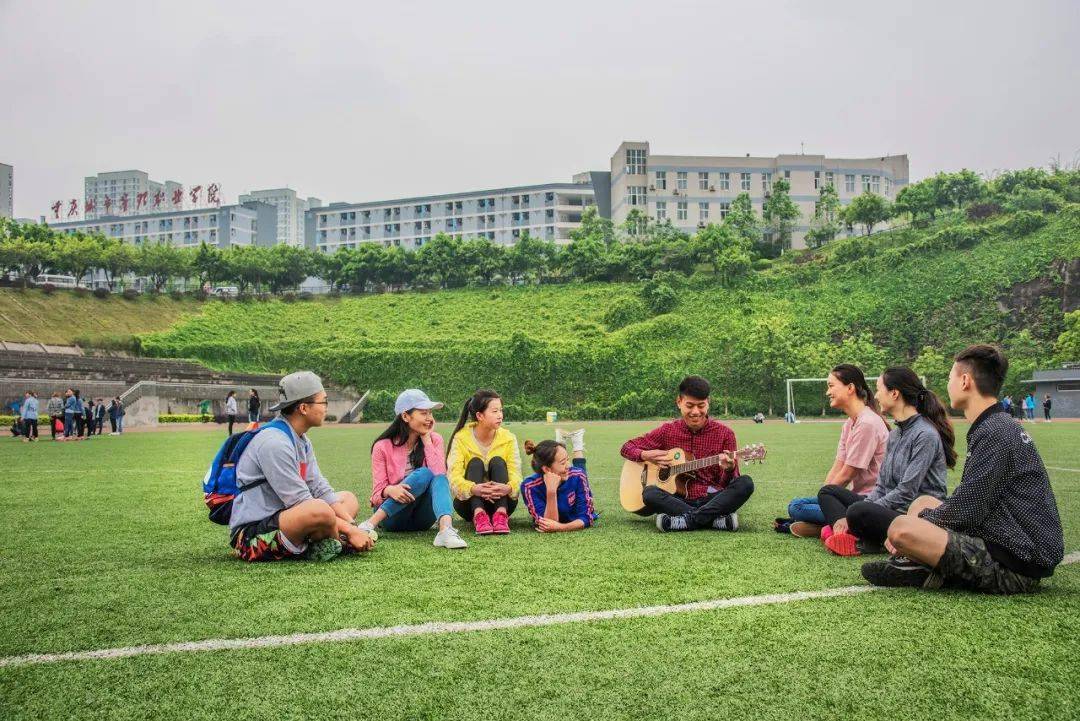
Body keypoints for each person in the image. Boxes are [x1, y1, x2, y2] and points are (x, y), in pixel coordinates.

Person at [863, 345, 1065, 593]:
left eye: (950, 379)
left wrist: (921, 523)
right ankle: (920, 565)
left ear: (965, 381)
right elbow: (971, 502)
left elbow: (967, 512)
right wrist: (923, 517)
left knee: (901, 528)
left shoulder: (994, 431)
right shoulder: (995, 424)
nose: (948, 386)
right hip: (1011, 538)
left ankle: (922, 569)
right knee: (921, 503)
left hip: (1017, 563)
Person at [229, 371, 375, 562]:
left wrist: (351, 523)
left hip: (289, 518)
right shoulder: (274, 443)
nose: (326, 407)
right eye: (323, 402)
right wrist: (350, 530)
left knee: (348, 499)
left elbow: (318, 486)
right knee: (319, 510)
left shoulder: (301, 439)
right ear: (304, 408)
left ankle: (325, 541)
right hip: (253, 535)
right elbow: (300, 501)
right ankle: (338, 541)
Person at [821, 367, 954, 556]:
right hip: (891, 507)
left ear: (894, 393)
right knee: (828, 492)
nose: (875, 396)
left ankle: (859, 538)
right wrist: (865, 505)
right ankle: (858, 536)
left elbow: (907, 492)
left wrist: (862, 509)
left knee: (857, 512)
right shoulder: (895, 434)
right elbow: (882, 486)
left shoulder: (925, 435)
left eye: (878, 389)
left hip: (914, 514)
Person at [620, 375, 752, 533]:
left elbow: (728, 483)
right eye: (690, 405)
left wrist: (729, 469)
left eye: (701, 406)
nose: (696, 412)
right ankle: (714, 520)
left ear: (708, 403)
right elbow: (627, 447)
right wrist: (644, 455)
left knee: (745, 483)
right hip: (677, 499)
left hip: (712, 499)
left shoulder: (725, 434)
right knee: (649, 493)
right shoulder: (667, 431)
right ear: (679, 402)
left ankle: (685, 520)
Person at [776, 364, 888, 538]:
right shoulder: (849, 424)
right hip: (852, 496)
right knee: (796, 504)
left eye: (831, 386)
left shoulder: (867, 423)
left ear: (850, 388)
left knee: (797, 508)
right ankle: (827, 525)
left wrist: (827, 499)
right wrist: (825, 498)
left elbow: (847, 474)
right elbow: (838, 466)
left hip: (871, 501)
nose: (827, 392)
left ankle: (834, 526)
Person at [357, 389, 467, 549]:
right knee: (424, 473)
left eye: (430, 413)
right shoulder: (382, 446)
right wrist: (390, 490)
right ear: (405, 416)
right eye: (423, 413)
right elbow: (376, 494)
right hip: (392, 518)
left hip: (422, 519)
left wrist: (426, 440)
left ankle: (446, 531)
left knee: (434, 475)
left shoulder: (435, 439)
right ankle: (370, 524)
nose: (429, 418)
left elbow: (440, 476)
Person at [446, 389, 522, 535]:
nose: (500, 415)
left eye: (501, 410)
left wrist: (508, 488)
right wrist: (474, 489)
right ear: (480, 415)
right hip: (468, 504)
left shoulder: (508, 438)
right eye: (494, 411)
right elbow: (453, 478)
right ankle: (479, 515)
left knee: (498, 461)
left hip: (504, 502)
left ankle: (500, 515)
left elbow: (516, 473)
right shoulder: (461, 438)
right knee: (475, 463)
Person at [521, 429, 597, 533]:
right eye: (562, 463)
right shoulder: (529, 486)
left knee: (579, 471)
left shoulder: (578, 475)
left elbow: (586, 517)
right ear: (547, 469)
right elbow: (547, 523)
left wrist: (560, 527)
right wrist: (551, 491)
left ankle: (577, 445)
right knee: (576, 472)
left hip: (576, 476)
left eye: (567, 459)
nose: (568, 465)